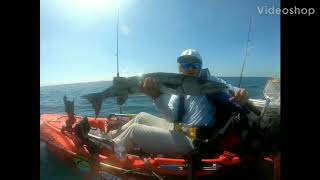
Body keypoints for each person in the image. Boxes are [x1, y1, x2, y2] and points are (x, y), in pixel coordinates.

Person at [110, 49, 254, 157]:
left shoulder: (210, 82)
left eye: (195, 65)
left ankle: (109, 149)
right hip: (181, 129)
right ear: (179, 67)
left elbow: (236, 91)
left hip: (195, 139)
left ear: (201, 67)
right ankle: (111, 137)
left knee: (135, 130)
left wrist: (243, 94)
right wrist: (156, 97)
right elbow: (171, 118)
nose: (190, 68)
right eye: (185, 64)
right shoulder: (177, 86)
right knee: (141, 115)